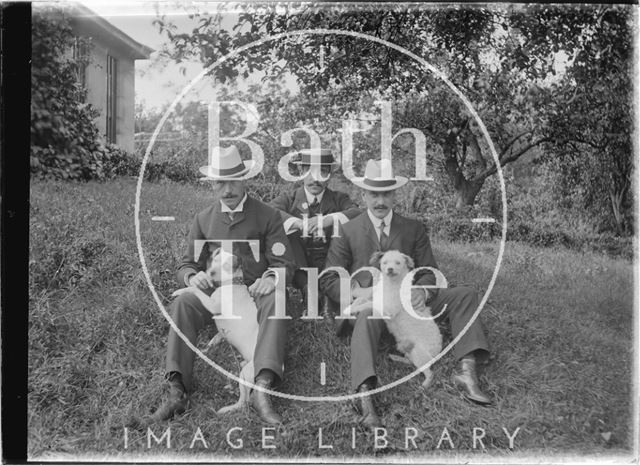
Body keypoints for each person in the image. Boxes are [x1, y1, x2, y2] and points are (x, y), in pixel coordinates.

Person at [320, 159, 492, 428]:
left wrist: (422, 292)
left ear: (394, 195)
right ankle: (365, 394)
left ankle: (466, 369)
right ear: (363, 195)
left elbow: (429, 272)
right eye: (374, 194)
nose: (380, 200)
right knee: (366, 313)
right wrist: (357, 292)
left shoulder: (413, 228)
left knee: (465, 294)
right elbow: (330, 277)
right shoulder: (348, 230)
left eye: (386, 193)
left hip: (409, 312)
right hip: (375, 309)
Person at [151, 145, 296, 425]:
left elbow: (284, 262)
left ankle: (262, 389)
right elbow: (187, 264)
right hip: (218, 293)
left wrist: (270, 278)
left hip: (254, 293)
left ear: (244, 179)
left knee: (276, 300)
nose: (227, 189)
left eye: (232, 181)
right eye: (220, 182)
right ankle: (176, 390)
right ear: (213, 184)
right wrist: (193, 277)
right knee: (182, 302)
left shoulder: (267, 215)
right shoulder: (204, 219)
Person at [270, 148, 360, 309]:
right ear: (300, 172)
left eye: (322, 172)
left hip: (330, 261)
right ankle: (308, 288)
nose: (315, 179)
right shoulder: (289, 199)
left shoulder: (339, 199)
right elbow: (269, 212)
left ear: (330, 174)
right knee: (283, 231)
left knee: (343, 229)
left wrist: (327, 219)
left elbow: (356, 213)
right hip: (300, 262)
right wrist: (298, 223)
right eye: (310, 172)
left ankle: (328, 289)